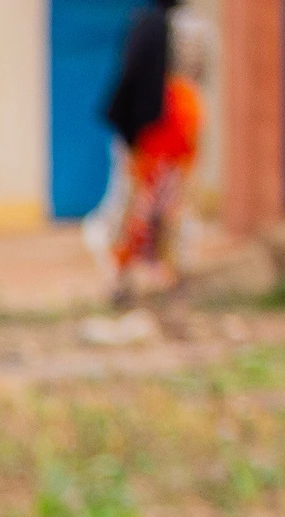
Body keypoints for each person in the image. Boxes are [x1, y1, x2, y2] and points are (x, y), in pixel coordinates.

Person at [101, 3, 206, 305]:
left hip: (158, 133)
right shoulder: (190, 29)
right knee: (167, 204)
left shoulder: (150, 25)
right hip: (174, 129)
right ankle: (170, 277)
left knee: (139, 205)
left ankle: (132, 279)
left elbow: (133, 78)